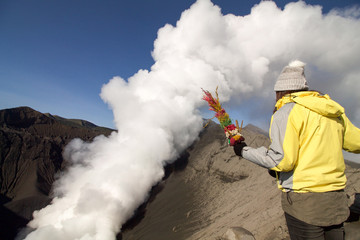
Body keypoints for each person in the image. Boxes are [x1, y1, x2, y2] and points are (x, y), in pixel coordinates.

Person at [232, 60, 360, 240]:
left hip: (305, 203)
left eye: (276, 94)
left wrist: (243, 151)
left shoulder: (286, 112)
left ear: (282, 92)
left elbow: (282, 161)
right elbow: (356, 143)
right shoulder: (332, 111)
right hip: (336, 199)